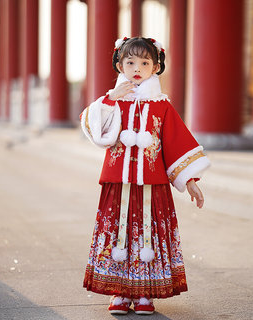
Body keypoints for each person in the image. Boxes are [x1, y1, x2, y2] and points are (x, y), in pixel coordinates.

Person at [80, 37, 210, 315]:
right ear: (119, 65)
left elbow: (177, 143)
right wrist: (110, 99)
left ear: (156, 67)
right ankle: (119, 291)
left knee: (149, 235)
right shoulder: (113, 102)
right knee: (118, 234)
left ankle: (145, 294)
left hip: (153, 185)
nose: (137, 68)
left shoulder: (162, 106)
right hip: (119, 182)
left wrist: (190, 181)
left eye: (144, 62)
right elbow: (94, 128)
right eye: (130, 62)